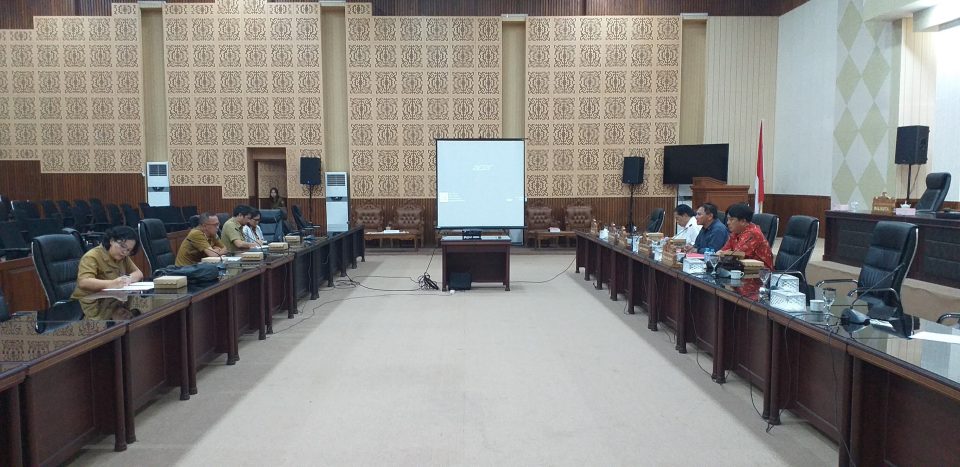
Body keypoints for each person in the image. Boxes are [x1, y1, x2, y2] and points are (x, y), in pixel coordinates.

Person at [71, 226, 144, 320]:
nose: (124, 252)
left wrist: (128, 279)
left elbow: (138, 273)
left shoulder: (123, 257)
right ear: (111, 240)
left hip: (111, 300)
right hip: (88, 305)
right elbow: (83, 282)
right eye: (122, 246)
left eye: (129, 250)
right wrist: (113, 283)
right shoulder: (92, 256)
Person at [719, 203, 774, 269]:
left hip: (760, 272)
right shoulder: (736, 232)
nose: (728, 222)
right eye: (728, 219)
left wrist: (722, 254)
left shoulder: (752, 234)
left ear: (743, 221)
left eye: (731, 219)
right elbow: (723, 251)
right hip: (742, 269)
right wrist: (721, 253)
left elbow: (736, 255)